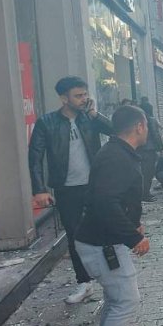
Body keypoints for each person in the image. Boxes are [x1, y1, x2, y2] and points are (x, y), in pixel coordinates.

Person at [74, 105, 149, 326]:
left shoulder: (117, 152)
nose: (147, 130)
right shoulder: (117, 157)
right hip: (102, 244)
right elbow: (106, 202)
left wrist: (131, 224)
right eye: (146, 125)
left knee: (114, 299)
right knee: (126, 301)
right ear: (139, 126)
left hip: (101, 241)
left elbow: (112, 198)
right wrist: (134, 237)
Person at [28, 76, 113, 305]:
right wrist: (39, 189)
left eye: (85, 94)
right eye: (78, 95)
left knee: (105, 232)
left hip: (95, 186)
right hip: (67, 190)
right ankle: (84, 283)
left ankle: (111, 282)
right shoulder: (47, 123)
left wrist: (95, 114)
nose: (84, 99)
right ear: (64, 98)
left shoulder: (89, 119)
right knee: (77, 238)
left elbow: (115, 131)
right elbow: (35, 157)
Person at [138, 104, 163, 202]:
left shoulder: (138, 121)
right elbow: (155, 134)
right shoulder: (150, 120)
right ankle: (145, 194)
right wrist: (161, 147)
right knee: (148, 173)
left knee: (143, 173)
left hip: (140, 149)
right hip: (149, 150)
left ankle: (144, 193)